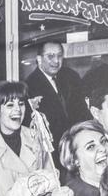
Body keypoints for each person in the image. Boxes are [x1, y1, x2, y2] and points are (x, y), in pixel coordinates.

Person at [26, 41, 90, 178]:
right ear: (39, 59)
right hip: (52, 158)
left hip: (77, 149)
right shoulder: (29, 86)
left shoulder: (71, 77)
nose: (56, 61)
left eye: (59, 56)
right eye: (50, 56)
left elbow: (83, 112)